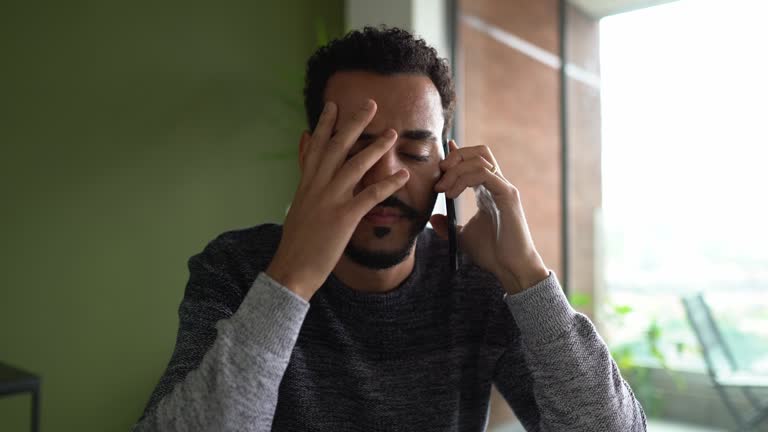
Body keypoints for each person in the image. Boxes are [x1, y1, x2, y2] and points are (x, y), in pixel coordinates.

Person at [132, 26, 646, 431]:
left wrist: (526, 275)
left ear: (447, 163)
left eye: (415, 152)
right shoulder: (235, 270)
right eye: (359, 146)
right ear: (311, 154)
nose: (386, 177)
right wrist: (291, 279)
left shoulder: (478, 285)